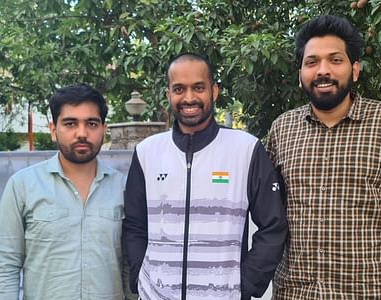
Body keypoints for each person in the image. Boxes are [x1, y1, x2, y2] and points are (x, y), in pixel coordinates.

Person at [267, 15, 381, 299]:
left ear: (354, 69)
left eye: (335, 60)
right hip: (295, 293)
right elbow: (268, 211)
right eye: (312, 62)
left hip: (372, 293)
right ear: (300, 75)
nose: (323, 71)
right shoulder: (282, 129)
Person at [123, 53, 288, 300]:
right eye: (179, 89)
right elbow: (134, 224)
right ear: (168, 94)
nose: (189, 98)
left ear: (214, 91)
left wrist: (246, 284)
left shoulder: (245, 149)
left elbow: (273, 224)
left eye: (198, 87)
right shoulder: (147, 151)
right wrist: (139, 276)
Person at [0, 83, 136, 300]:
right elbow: (5, 266)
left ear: (104, 129)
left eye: (92, 123)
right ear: (53, 130)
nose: (82, 133)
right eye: (70, 123)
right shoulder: (22, 186)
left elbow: (128, 268)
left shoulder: (123, 188)